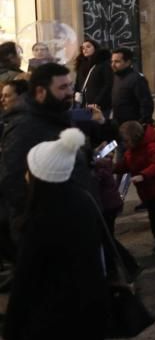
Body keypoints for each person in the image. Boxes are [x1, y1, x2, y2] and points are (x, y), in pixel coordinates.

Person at [4, 128, 111, 340]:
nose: (25, 173)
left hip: (53, 319)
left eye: (29, 168)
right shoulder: (83, 200)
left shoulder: (40, 221)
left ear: (40, 177)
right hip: (88, 312)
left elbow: (25, 281)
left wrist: (11, 329)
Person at [0, 63, 96, 252]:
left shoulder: (57, 118)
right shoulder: (24, 128)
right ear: (41, 92)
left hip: (72, 221)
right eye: (62, 87)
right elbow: (14, 182)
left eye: (70, 85)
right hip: (48, 232)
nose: (70, 92)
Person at [116, 120, 155, 256]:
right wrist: (111, 168)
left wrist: (143, 175)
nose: (124, 144)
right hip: (147, 190)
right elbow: (125, 165)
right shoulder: (131, 151)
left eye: (126, 141)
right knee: (154, 216)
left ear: (134, 138)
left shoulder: (152, 147)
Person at [109, 47, 154, 125]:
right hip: (118, 123)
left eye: (117, 62)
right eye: (112, 61)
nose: (113, 65)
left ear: (128, 62)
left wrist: (142, 123)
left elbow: (146, 104)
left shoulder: (137, 79)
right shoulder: (115, 77)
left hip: (132, 126)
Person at [73, 40, 113, 111]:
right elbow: (78, 84)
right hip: (83, 105)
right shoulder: (82, 65)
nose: (85, 49)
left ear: (95, 48)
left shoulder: (103, 64)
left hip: (99, 106)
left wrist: (97, 102)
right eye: (83, 48)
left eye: (88, 47)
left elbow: (108, 84)